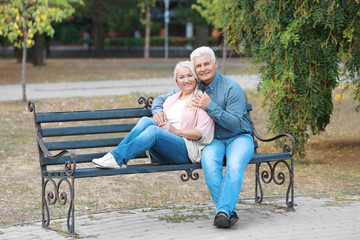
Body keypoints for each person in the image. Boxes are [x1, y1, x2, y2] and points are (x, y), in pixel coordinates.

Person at [152, 46, 254, 228]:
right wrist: (158, 110)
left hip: (239, 137)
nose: (203, 69)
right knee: (209, 164)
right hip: (213, 140)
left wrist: (210, 106)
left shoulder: (232, 87)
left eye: (207, 63)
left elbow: (236, 124)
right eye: (198, 66)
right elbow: (160, 99)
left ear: (215, 64)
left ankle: (222, 212)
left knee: (235, 166)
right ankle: (227, 211)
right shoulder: (193, 85)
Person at [92, 61, 214, 169]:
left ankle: (116, 158)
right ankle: (115, 157)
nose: (186, 80)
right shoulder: (173, 98)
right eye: (181, 77)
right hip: (164, 149)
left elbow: (201, 133)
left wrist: (175, 131)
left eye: (190, 75)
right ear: (176, 81)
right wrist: (159, 112)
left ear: (196, 78)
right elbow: (158, 100)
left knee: (153, 131)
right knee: (146, 120)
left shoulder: (200, 99)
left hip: (186, 151)